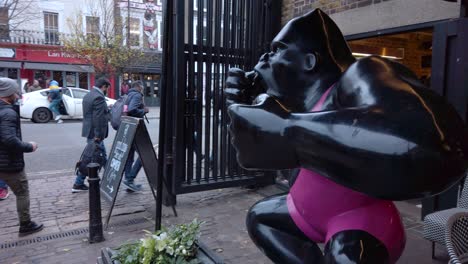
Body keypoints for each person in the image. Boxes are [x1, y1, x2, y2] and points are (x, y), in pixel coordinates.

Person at [226, 9, 468, 264]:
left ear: (309, 62)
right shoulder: (298, 105)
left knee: (346, 257)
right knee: (260, 219)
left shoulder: (362, 75)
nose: (265, 59)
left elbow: (432, 145)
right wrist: (242, 105)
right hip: (303, 211)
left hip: (358, 221)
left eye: (277, 50)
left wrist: (288, 130)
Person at [0, 78, 43, 236]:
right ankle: (25, 224)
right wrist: (29, 146)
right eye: (15, 92)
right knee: (22, 192)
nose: (17, 95)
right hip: (9, 163)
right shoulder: (8, 113)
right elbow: (9, 139)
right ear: (7, 93)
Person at [72, 77, 111, 192]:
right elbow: (98, 118)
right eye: (107, 88)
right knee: (91, 158)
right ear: (103, 86)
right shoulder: (99, 97)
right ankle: (110, 180)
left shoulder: (89, 95)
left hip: (89, 130)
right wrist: (98, 135)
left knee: (94, 156)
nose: (106, 91)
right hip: (95, 133)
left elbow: (91, 113)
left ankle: (109, 179)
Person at [122, 80, 149, 192]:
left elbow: (126, 110)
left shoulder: (128, 94)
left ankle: (129, 181)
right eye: (142, 86)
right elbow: (132, 109)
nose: (142, 88)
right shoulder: (137, 95)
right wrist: (143, 111)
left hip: (128, 128)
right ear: (138, 86)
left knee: (129, 156)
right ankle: (130, 178)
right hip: (136, 129)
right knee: (145, 155)